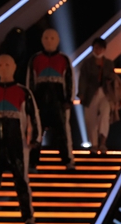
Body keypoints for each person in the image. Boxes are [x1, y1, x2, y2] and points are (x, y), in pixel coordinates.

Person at [0, 53, 41, 224]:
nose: (3, 68)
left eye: (7, 65)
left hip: (17, 144)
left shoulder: (23, 92)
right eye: (0, 65)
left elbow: (34, 115)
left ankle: (28, 217)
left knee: (21, 181)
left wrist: (35, 138)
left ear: (14, 67)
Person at [27, 28, 75, 170]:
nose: (49, 41)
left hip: (58, 102)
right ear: (42, 40)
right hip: (40, 102)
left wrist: (69, 99)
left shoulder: (64, 59)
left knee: (63, 133)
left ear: (58, 41)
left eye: (52, 38)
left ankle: (67, 160)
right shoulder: (35, 59)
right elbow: (30, 81)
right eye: (46, 38)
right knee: (36, 133)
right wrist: (30, 102)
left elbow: (70, 80)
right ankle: (32, 162)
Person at [78, 38, 119, 154]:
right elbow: (83, 79)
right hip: (90, 93)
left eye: (100, 48)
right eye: (96, 48)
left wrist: (109, 79)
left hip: (105, 93)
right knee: (90, 119)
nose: (98, 50)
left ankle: (103, 143)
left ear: (104, 49)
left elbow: (113, 76)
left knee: (105, 115)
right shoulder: (87, 63)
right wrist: (81, 93)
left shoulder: (108, 63)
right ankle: (94, 144)